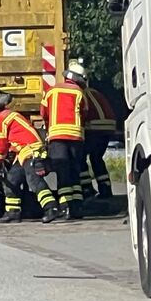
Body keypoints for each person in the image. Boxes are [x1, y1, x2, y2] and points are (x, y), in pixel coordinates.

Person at [0, 91, 58, 223]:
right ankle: (12, 212)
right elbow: (7, 143)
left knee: (34, 181)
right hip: (24, 153)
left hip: (30, 152)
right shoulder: (8, 115)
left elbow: (1, 147)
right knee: (12, 179)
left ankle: (51, 208)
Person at [41, 62, 88, 220]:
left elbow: (44, 113)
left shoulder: (51, 91)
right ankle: (77, 206)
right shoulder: (80, 93)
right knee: (74, 171)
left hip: (57, 137)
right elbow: (84, 113)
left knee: (62, 172)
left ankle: (65, 207)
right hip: (76, 138)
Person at [81, 86, 116, 199]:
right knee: (96, 158)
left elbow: (83, 112)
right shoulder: (95, 92)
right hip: (108, 128)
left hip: (92, 128)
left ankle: (87, 189)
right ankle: (105, 188)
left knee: (80, 159)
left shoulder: (80, 93)